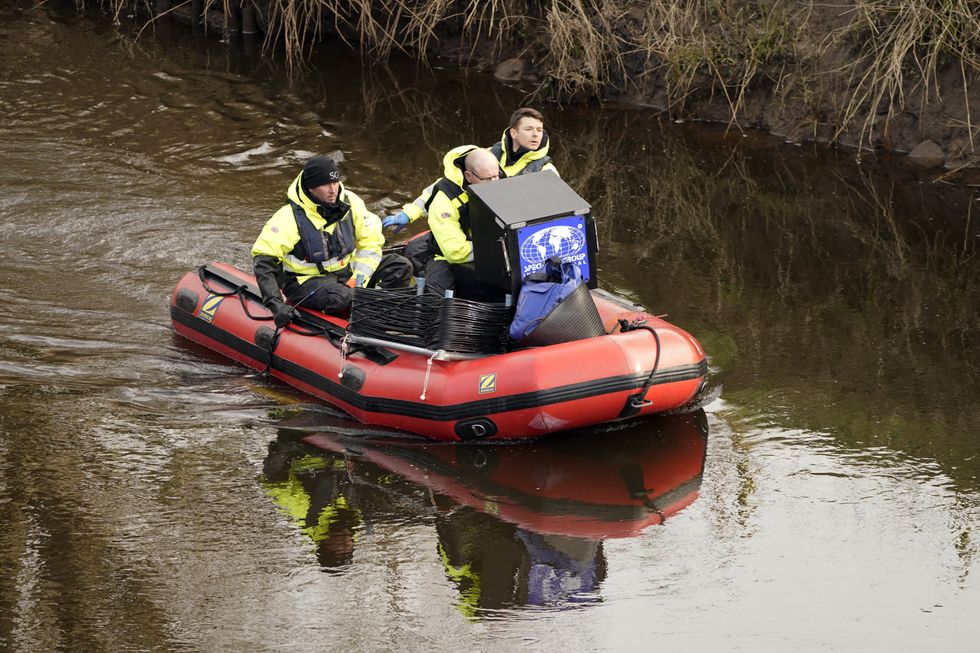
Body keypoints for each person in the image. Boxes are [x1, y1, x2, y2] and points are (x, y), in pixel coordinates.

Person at [251, 156, 413, 324]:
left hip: (347, 274)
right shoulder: (288, 217)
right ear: (311, 188)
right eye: (324, 184)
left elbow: (370, 243)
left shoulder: (351, 202)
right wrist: (275, 303)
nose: (332, 189)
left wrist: (357, 280)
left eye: (335, 182)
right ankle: (356, 320)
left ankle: (382, 320)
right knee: (340, 297)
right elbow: (263, 261)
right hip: (305, 281)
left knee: (400, 266)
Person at [383, 107, 558, 234]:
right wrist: (410, 212)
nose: (536, 134)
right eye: (529, 129)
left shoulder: (546, 170)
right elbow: (447, 186)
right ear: (513, 133)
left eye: (539, 130)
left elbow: (556, 211)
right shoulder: (487, 156)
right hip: (474, 228)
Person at [408, 146, 502, 297]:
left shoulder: (497, 177)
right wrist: (493, 250)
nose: (494, 183)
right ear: (469, 176)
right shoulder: (443, 200)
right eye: (487, 179)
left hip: (491, 248)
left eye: (496, 176)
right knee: (439, 299)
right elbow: (455, 252)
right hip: (449, 253)